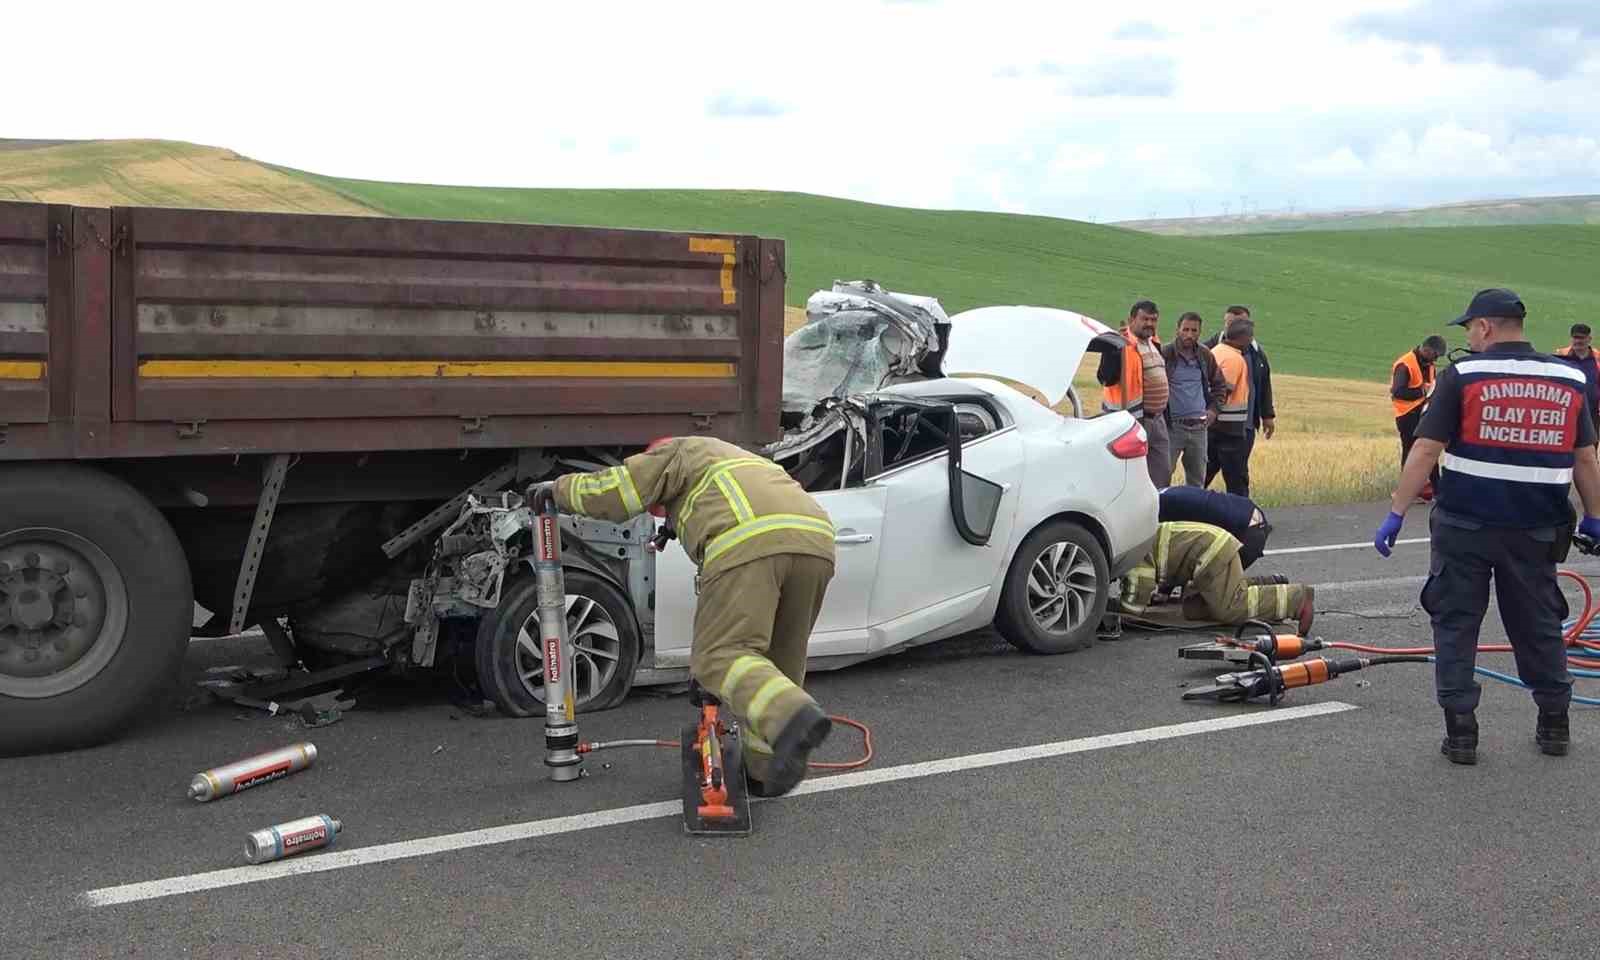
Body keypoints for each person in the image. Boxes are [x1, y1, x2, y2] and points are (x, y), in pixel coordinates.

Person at [1374, 288, 1600, 766]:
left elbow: (1425, 449)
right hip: (1537, 529)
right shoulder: (1568, 377)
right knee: (1538, 624)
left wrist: (1396, 512)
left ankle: (1461, 733)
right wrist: (1594, 516)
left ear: (1485, 327)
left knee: (1456, 624)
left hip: (1465, 526)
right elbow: (1584, 456)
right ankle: (1554, 722)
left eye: (1470, 330)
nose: (1470, 339)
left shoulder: (1464, 375)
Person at [541, 436, 837, 796]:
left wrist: (557, 490)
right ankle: (764, 772)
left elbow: (618, 492)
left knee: (719, 657)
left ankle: (791, 713)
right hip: (817, 542)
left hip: (750, 539)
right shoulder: (742, 462)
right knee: (779, 660)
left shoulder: (677, 450)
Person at [1112, 521, 1313, 632]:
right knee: (1193, 608)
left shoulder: (1129, 548)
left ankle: (1296, 599)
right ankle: (1262, 585)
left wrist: (1124, 611)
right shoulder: (1132, 534)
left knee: (1228, 608)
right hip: (1210, 550)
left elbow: (1141, 584)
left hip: (1211, 553)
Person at [1096, 299, 1169, 487]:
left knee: (1161, 473)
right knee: (1129, 475)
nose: (1150, 324)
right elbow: (1105, 377)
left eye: (1153, 320)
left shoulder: (1154, 342)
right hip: (1131, 420)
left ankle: (1158, 512)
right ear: (1132, 319)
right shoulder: (1119, 344)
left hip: (1157, 420)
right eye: (1145, 319)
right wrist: (1113, 352)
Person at [1206, 304, 1276, 473]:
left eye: (1239, 323)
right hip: (1215, 425)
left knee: (1237, 471)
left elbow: (1263, 384)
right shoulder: (1209, 348)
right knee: (1206, 470)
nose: (1233, 327)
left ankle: (1234, 499)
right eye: (1229, 323)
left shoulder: (1257, 353)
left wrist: (1267, 416)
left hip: (1246, 425)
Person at [1161, 312, 1229, 486]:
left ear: (1200, 332)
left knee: (1198, 480)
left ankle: (1192, 513)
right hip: (1172, 427)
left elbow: (1220, 385)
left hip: (1199, 428)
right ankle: (1161, 512)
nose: (1189, 335)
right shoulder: (1165, 354)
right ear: (1178, 330)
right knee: (1162, 475)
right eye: (1185, 330)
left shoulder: (1205, 355)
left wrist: (1214, 411)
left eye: (1194, 330)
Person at [1158, 485, 1273, 569]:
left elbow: (1176, 556)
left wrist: (1165, 590)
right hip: (1249, 515)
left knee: (1208, 592)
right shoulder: (1163, 493)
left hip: (1247, 533)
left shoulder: (1159, 508)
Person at [1391, 335, 1447, 499]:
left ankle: (1436, 490)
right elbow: (1397, 392)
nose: (1436, 359)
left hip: (1423, 413)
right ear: (1427, 349)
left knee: (1429, 450)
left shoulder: (1429, 365)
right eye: (1435, 355)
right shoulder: (1405, 364)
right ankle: (1407, 492)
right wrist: (1423, 391)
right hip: (1407, 415)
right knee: (1410, 453)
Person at [1204, 314, 1255, 495]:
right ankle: (1242, 516)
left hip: (1213, 427)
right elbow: (1224, 390)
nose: (1251, 340)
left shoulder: (1216, 351)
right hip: (1229, 429)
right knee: (1237, 478)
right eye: (1250, 336)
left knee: (1204, 473)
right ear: (1243, 338)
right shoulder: (1234, 359)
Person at [1554, 323, 1600, 438]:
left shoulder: (1597, 357)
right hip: (1568, 410)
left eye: (1581, 338)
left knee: (1590, 444)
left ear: (1589, 339)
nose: (1578, 341)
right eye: (1575, 337)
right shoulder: (1560, 355)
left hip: (1592, 411)